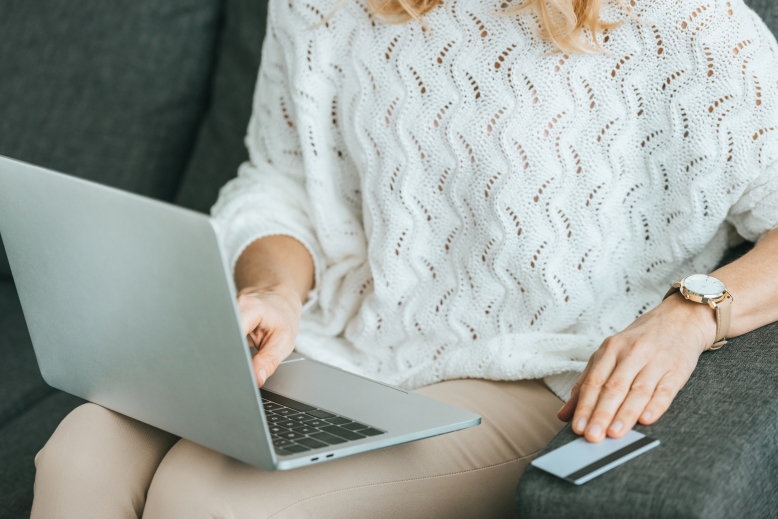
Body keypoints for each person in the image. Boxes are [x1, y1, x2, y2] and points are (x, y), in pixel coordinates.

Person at [31, 0, 778, 516]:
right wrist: (273, 291)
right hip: (337, 343)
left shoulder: (683, 24)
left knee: (206, 498)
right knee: (79, 456)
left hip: (526, 370)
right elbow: (284, 178)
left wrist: (694, 312)